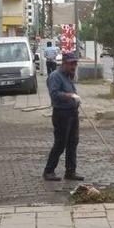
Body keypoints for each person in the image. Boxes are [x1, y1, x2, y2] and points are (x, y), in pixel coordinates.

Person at [43, 53, 84, 182]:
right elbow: (55, 94)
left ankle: (70, 171)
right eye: (71, 63)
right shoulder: (55, 76)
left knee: (73, 143)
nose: (74, 66)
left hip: (72, 113)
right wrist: (70, 96)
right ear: (64, 63)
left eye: (75, 64)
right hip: (62, 114)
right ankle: (49, 171)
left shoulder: (68, 76)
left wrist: (76, 99)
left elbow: (71, 91)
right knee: (60, 143)